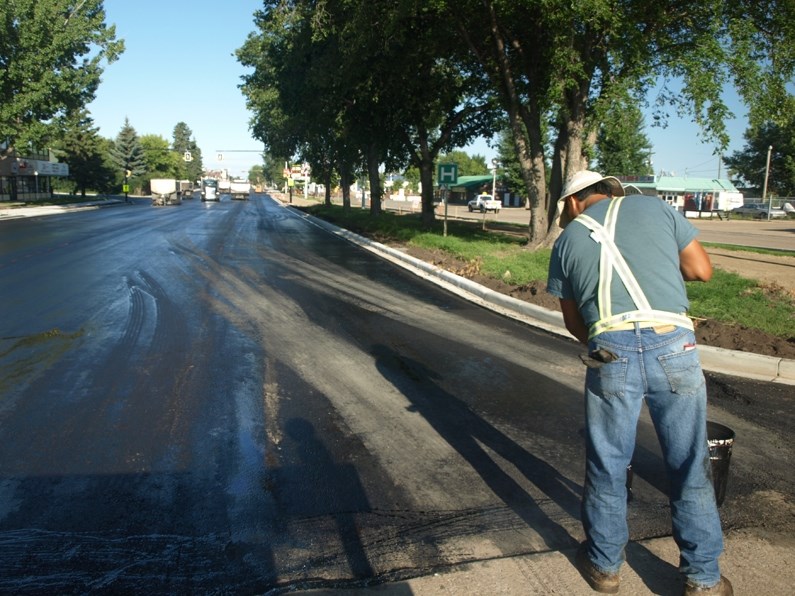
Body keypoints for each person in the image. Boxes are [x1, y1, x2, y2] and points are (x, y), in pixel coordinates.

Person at [546, 170, 732, 595]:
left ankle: (605, 566)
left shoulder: (568, 241)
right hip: (675, 346)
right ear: (610, 191)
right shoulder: (657, 208)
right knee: (689, 462)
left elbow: (577, 325)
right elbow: (702, 271)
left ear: (573, 202)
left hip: (610, 350)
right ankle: (703, 579)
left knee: (609, 462)